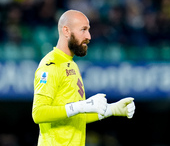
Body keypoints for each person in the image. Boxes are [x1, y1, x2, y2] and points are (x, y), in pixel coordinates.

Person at [32, 10, 135, 146]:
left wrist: (112, 109)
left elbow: (76, 116)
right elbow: (38, 113)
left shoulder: (72, 65)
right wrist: (81, 105)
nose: (89, 36)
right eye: (83, 30)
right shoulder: (50, 64)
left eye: (89, 30)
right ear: (66, 31)